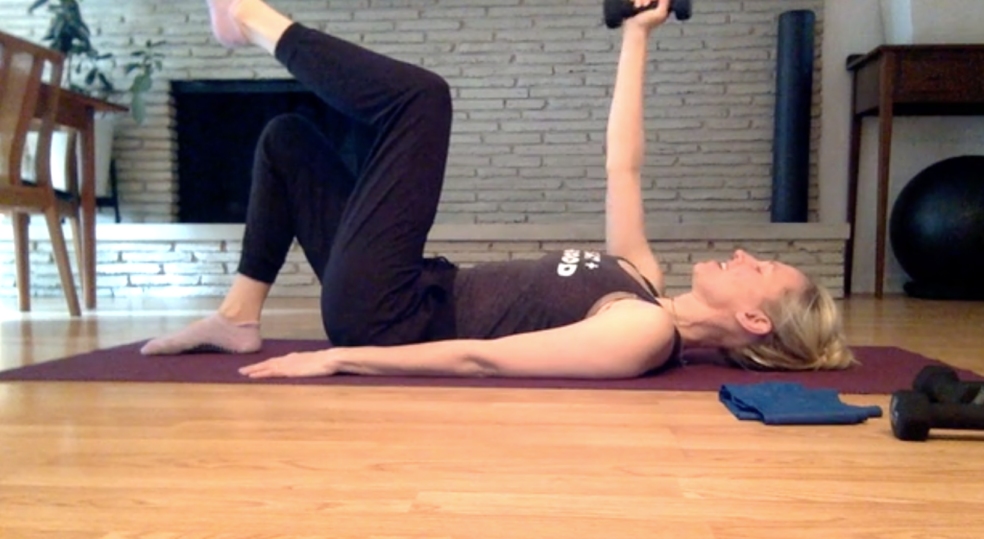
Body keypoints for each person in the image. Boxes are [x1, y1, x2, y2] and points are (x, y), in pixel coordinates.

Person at [142, 0, 855, 379]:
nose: (743, 254)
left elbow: (484, 358)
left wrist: (338, 358)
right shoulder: (643, 280)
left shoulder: (644, 329)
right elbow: (623, 166)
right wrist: (639, 38)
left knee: (421, 100)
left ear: (757, 323)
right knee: (288, 141)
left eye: (760, 269)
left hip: (391, 315)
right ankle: (239, 315)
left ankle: (252, 16)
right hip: (409, 287)